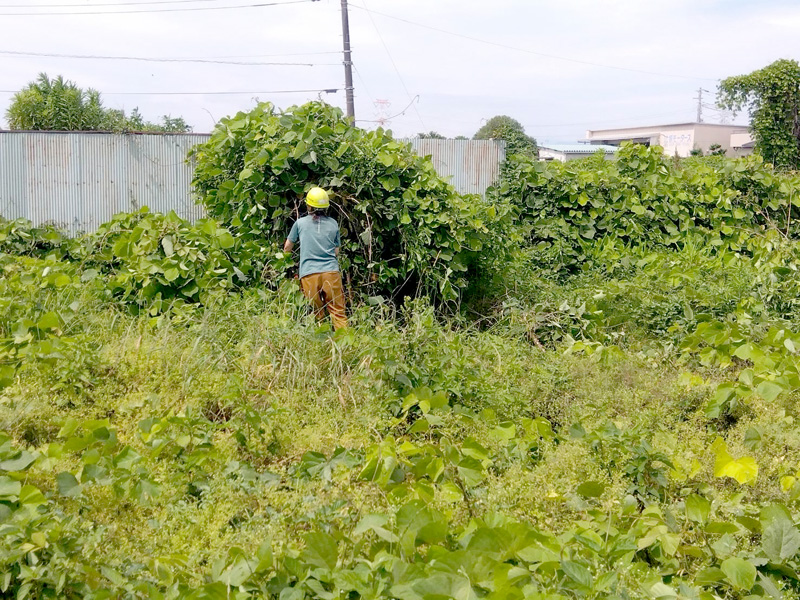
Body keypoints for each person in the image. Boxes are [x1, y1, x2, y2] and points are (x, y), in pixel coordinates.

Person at [283, 187, 348, 330]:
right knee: (338, 312)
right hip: (331, 272)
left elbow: (287, 247)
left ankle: (320, 343)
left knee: (316, 312)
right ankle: (345, 345)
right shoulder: (333, 223)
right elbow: (336, 251)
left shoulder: (300, 223)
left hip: (308, 273)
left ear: (308, 205)